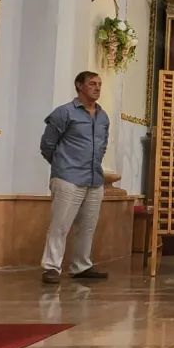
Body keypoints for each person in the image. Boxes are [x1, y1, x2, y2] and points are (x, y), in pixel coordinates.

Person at [39, 71, 111, 284]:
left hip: (94, 179)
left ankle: (81, 266)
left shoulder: (103, 116)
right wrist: (62, 166)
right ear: (79, 86)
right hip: (68, 177)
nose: (97, 88)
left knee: (87, 227)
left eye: (99, 84)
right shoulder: (64, 113)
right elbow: (47, 146)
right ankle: (51, 267)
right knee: (60, 225)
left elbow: (102, 145)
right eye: (92, 84)